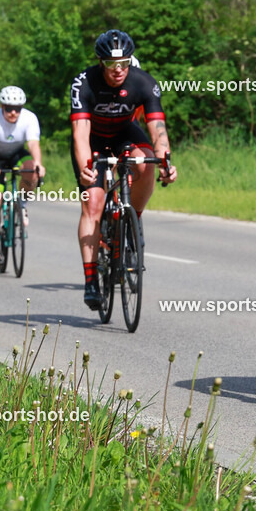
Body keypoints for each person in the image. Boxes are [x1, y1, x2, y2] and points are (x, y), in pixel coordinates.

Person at [70, 29, 176, 309]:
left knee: (147, 162)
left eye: (124, 63)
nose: (118, 70)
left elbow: (157, 129)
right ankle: (91, 280)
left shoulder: (144, 82)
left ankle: (132, 218)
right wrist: (85, 168)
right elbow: (80, 133)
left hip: (124, 133)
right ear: (100, 62)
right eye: (111, 64)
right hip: (93, 139)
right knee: (93, 203)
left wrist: (166, 162)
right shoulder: (84, 83)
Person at [0, 86, 44, 262]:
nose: (13, 113)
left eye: (17, 109)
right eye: (9, 108)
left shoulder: (29, 118)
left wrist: (38, 162)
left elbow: (33, 144)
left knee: (32, 170)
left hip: (17, 153)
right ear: (2, 106)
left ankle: (22, 205)